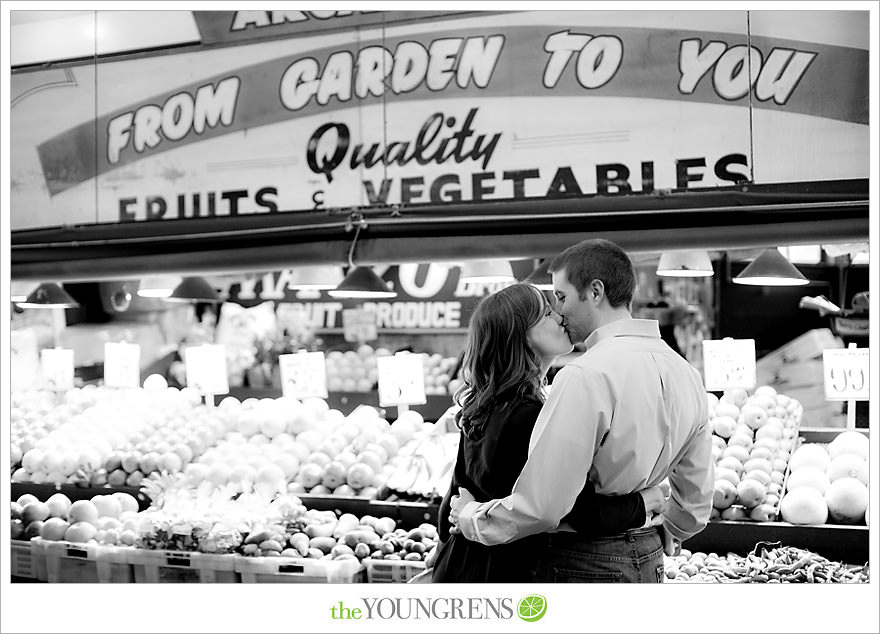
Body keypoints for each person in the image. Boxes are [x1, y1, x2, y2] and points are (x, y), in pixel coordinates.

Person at [450, 239, 714, 583]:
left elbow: (544, 507)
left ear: (594, 292)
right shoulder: (687, 373)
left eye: (561, 297)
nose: (559, 312)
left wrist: (472, 518)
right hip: (650, 554)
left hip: (585, 558)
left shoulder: (583, 375)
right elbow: (696, 497)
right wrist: (672, 527)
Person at [431, 282, 668, 583]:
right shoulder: (529, 415)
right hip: (505, 576)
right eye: (545, 314)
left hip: (462, 565)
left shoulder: (483, 406)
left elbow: (451, 502)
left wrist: (461, 520)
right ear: (522, 336)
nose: (559, 317)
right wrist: (647, 501)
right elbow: (575, 511)